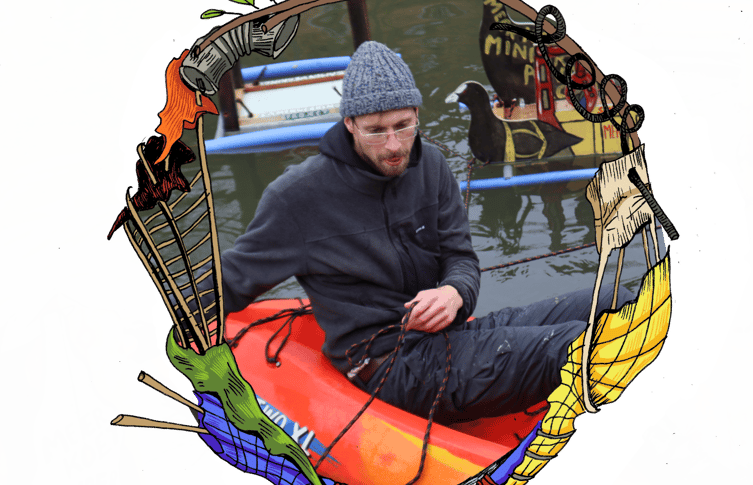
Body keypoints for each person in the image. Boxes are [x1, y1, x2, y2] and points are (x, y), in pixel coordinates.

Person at [218, 41, 631, 424]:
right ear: (349, 124)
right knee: (581, 345)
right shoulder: (296, 197)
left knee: (618, 299)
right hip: (388, 366)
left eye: (404, 125)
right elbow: (229, 283)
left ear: (417, 114)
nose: (393, 145)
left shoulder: (431, 165)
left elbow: (461, 258)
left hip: (447, 336)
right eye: (376, 130)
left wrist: (454, 293)